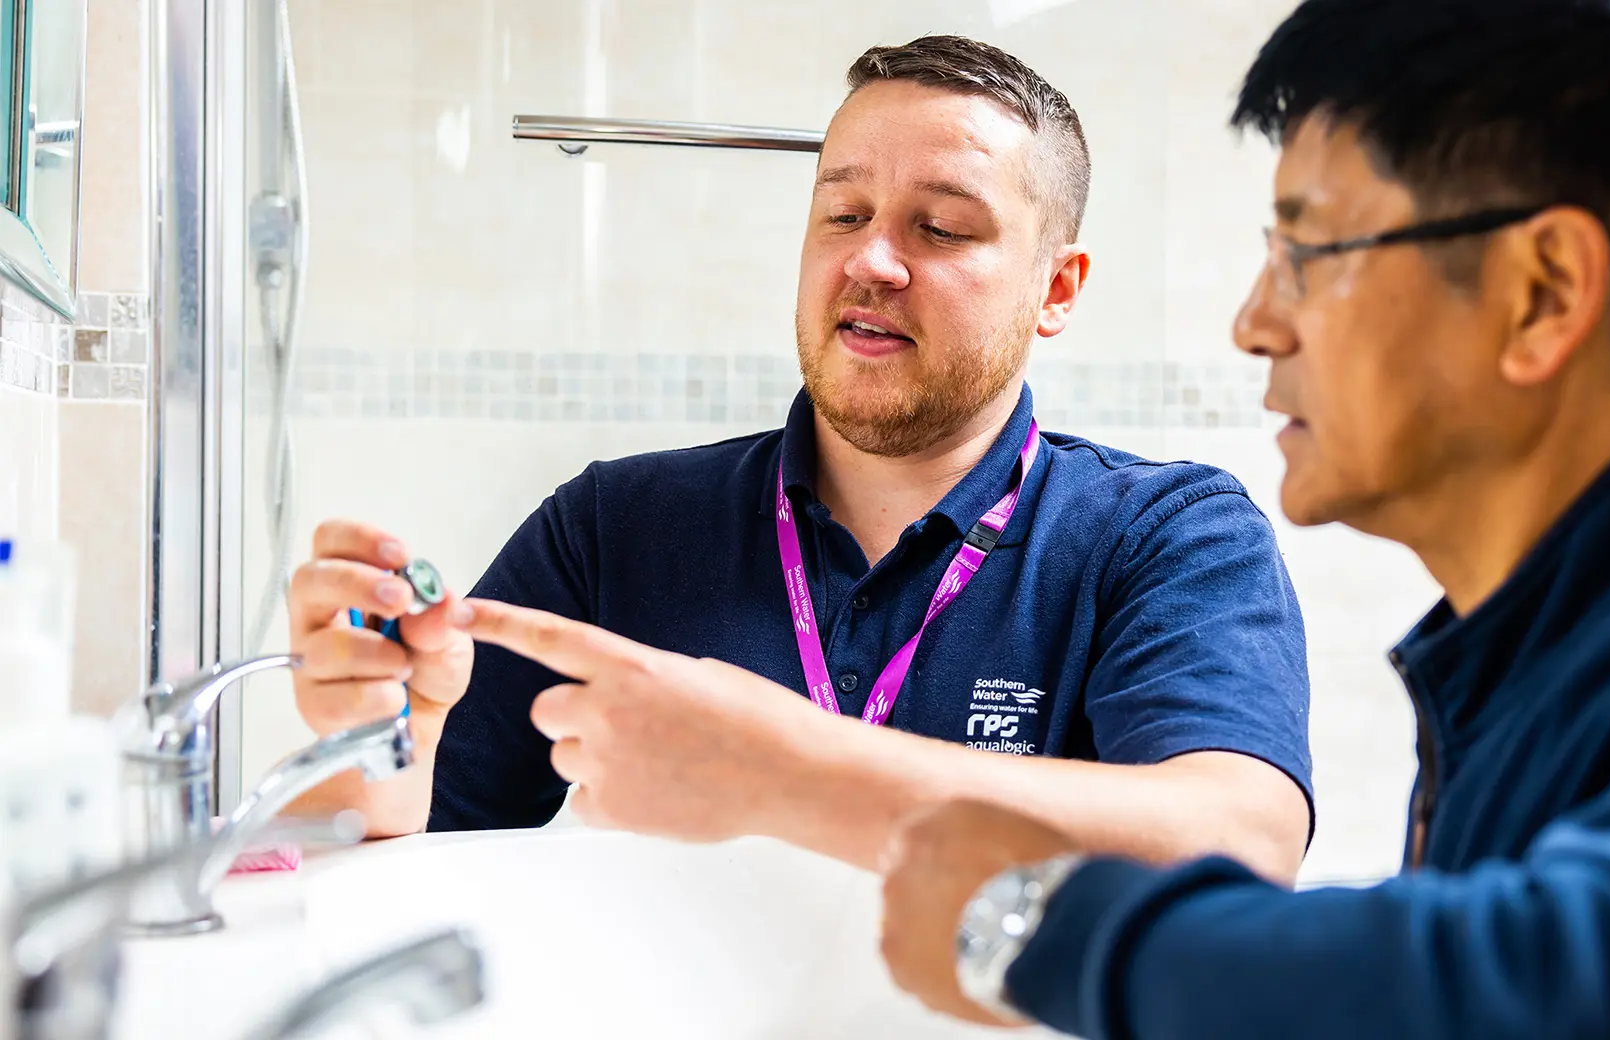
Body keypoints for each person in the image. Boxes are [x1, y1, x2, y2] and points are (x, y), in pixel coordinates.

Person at [873, 1, 1610, 1037]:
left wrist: (1044, 928)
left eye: (1307, 253)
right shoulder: (1532, 657)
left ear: (1544, 294)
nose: (1254, 323)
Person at [284, 35, 1313, 880]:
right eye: (843, 213)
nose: (870, 259)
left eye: (942, 227)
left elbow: (1242, 840)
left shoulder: (1163, 535)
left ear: (1056, 288)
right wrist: (379, 744)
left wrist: (788, 770)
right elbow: (390, 868)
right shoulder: (615, 526)